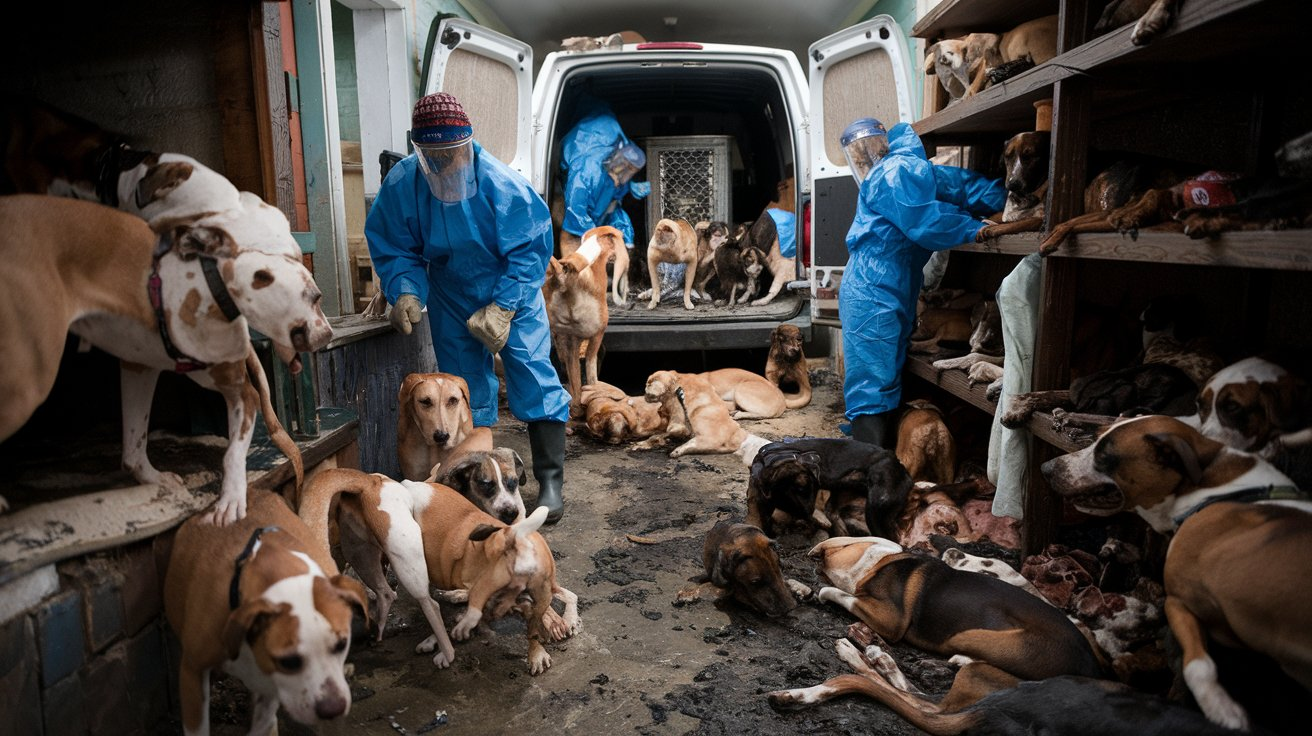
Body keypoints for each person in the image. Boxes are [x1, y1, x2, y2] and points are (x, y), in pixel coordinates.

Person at [366, 92, 572, 523]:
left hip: (511, 287)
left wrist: (503, 307)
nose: (444, 164)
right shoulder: (404, 184)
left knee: (532, 371)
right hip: (450, 290)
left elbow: (531, 249)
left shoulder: (501, 183)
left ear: (468, 144)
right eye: (433, 156)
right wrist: (405, 290)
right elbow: (394, 245)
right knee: (465, 388)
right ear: (418, 150)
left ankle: (550, 481)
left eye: (452, 154)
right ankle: (477, 485)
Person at [838, 117, 1005, 448]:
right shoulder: (899, 172)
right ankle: (868, 464)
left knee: (882, 375)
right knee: (873, 381)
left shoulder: (897, 171)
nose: (864, 159)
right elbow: (927, 220)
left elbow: (953, 191)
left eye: (865, 150)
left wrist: (1007, 199)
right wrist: (976, 226)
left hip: (883, 285)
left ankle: (879, 459)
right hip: (873, 290)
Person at [558, 97, 652, 289]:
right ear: (615, 159)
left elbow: (614, 199)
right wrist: (596, 236)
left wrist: (624, 237)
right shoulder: (584, 173)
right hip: (575, 209)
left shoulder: (618, 168)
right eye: (625, 169)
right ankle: (574, 286)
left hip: (599, 204)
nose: (626, 174)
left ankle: (607, 281)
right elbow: (575, 212)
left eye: (631, 171)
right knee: (574, 242)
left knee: (618, 224)